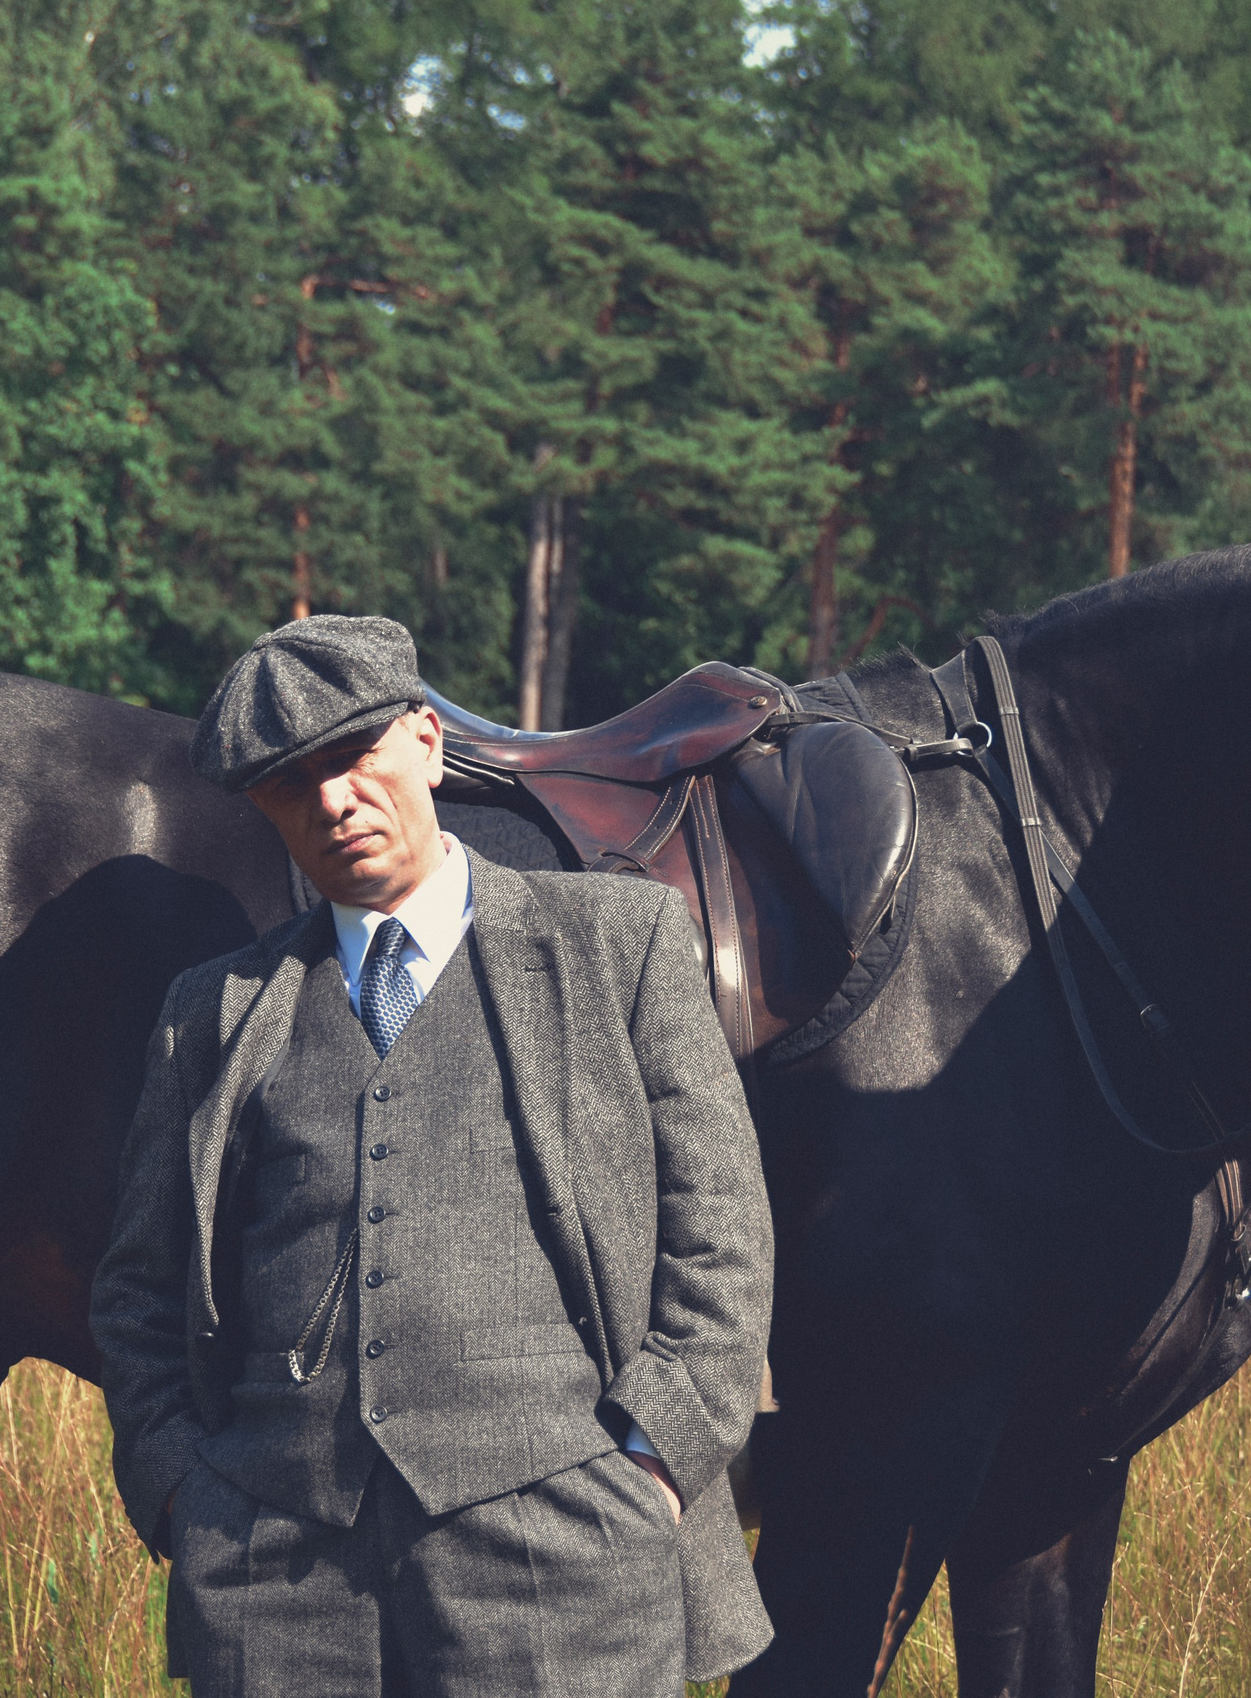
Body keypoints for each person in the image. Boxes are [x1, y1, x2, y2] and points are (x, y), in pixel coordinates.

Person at [91, 615, 773, 1696]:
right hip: (275, 1582)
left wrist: (654, 1458)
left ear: (423, 737)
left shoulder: (617, 945)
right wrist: (184, 1489)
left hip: (568, 1553)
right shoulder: (212, 1012)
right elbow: (137, 1291)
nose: (330, 802)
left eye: (352, 756)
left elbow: (721, 1230)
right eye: (287, 784)